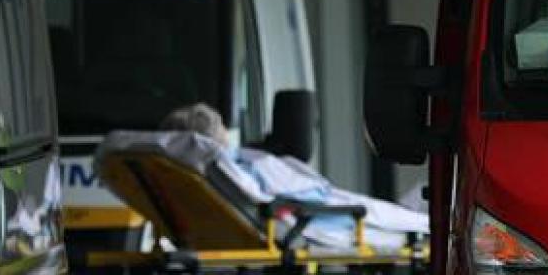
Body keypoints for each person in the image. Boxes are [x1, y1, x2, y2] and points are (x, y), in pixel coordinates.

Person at [124, 103, 428, 250]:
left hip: (313, 215)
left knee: (414, 209)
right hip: (330, 220)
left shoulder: (182, 181)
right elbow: (309, 196)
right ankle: (426, 222)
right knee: (415, 220)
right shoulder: (237, 169)